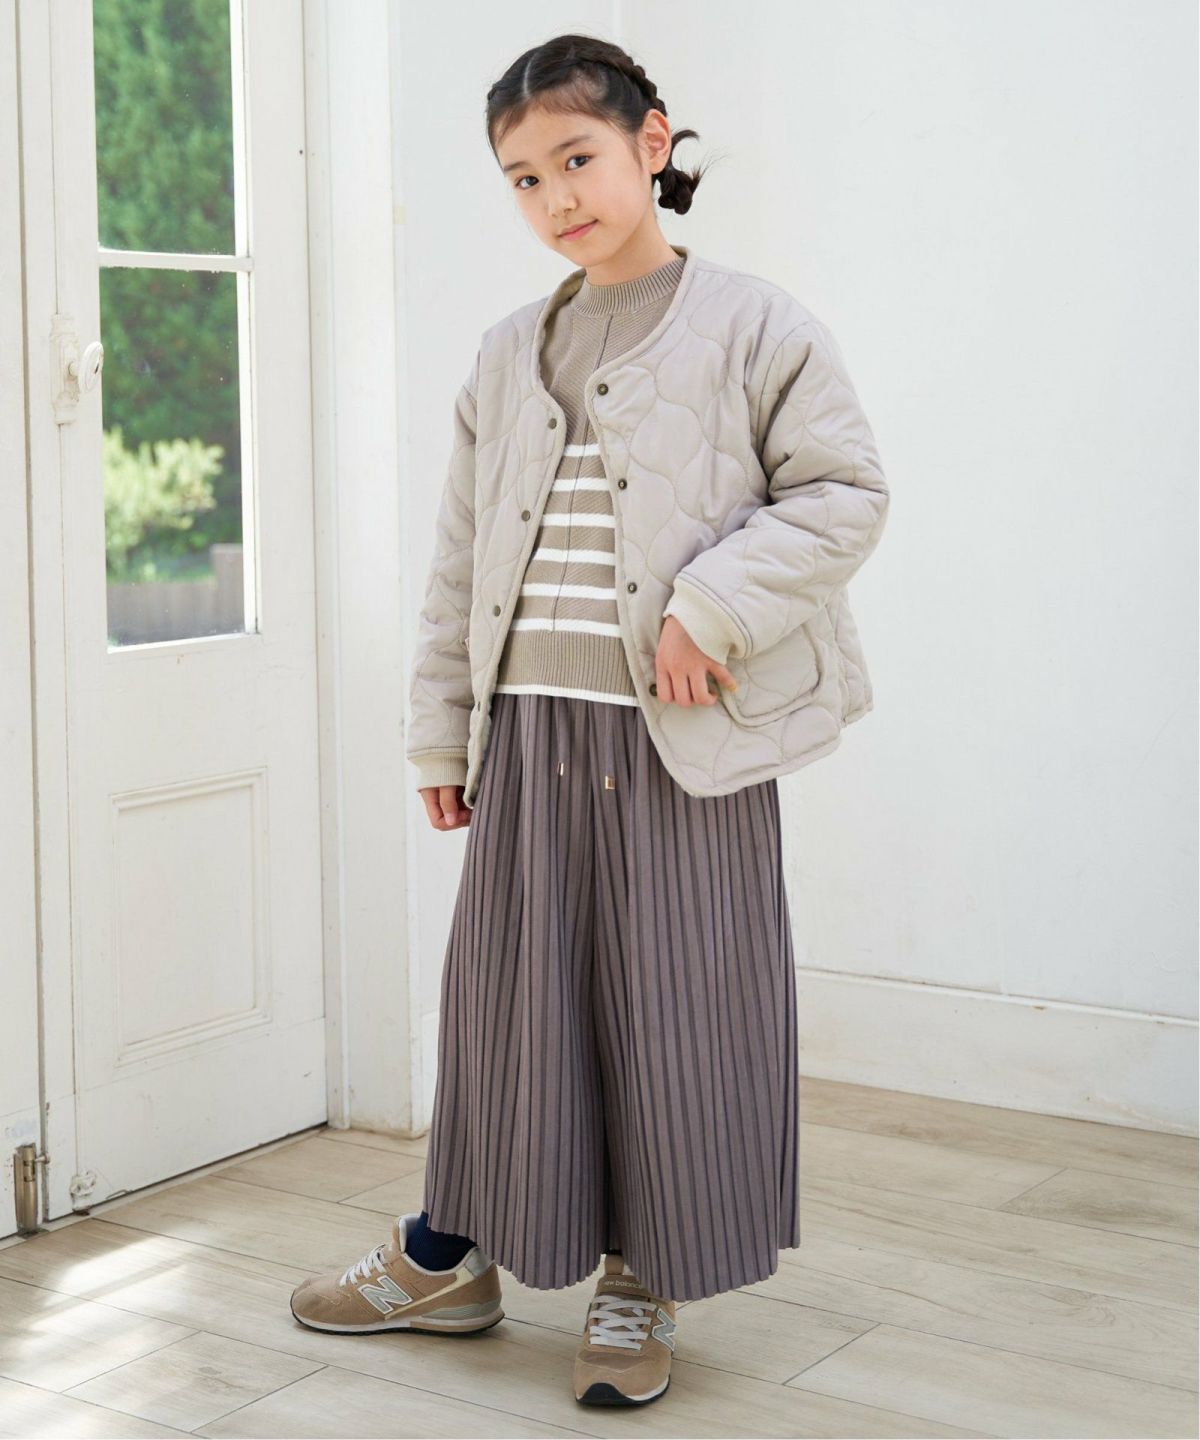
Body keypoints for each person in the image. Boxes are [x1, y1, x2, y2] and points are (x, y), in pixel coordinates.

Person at [291, 32, 889, 1409]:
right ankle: (448, 1257)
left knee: (675, 1016)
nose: (555, 196)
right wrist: (441, 731)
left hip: (683, 742)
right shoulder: (510, 352)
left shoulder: (758, 326)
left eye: (576, 157)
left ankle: (640, 1277)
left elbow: (845, 493)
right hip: (528, 738)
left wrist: (713, 607)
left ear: (651, 142)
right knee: (505, 1016)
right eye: (523, 178)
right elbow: (460, 563)